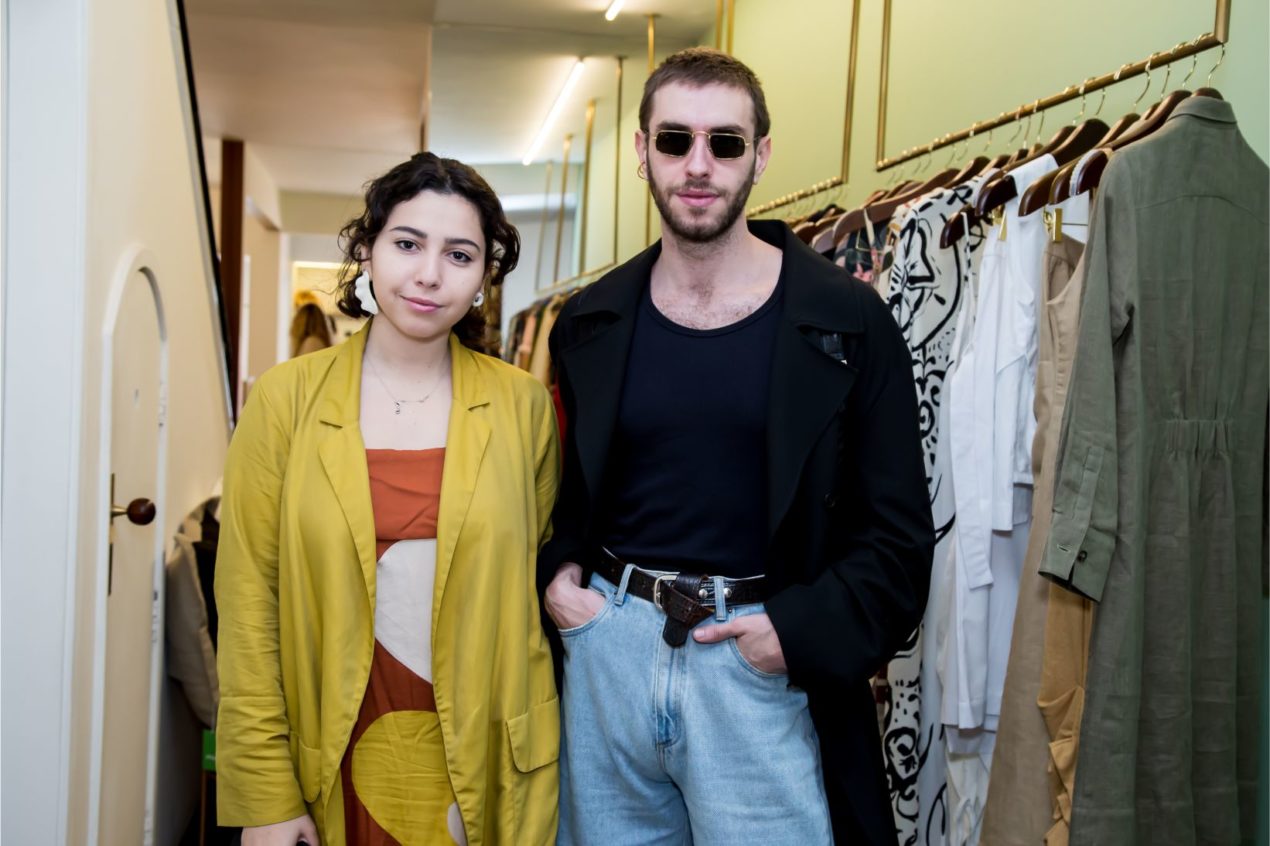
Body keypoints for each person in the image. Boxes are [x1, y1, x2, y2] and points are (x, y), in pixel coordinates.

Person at [539, 48, 933, 845]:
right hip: (612, 657)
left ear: (760, 155)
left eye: (725, 143)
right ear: (643, 150)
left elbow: (897, 537)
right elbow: (569, 500)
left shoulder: (849, 322)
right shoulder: (590, 322)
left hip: (760, 669)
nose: (698, 165)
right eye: (674, 139)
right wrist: (565, 588)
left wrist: (790, 636)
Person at [216, 152, 562, 846]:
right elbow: (250, 603)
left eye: (459, 255)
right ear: (367, 251)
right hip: (330, 750)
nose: (430, 274)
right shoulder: (285, 400)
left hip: (484, 758)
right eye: (407, 244)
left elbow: (536, 579)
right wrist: (265, 795)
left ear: (484, 278)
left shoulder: (523, 406)